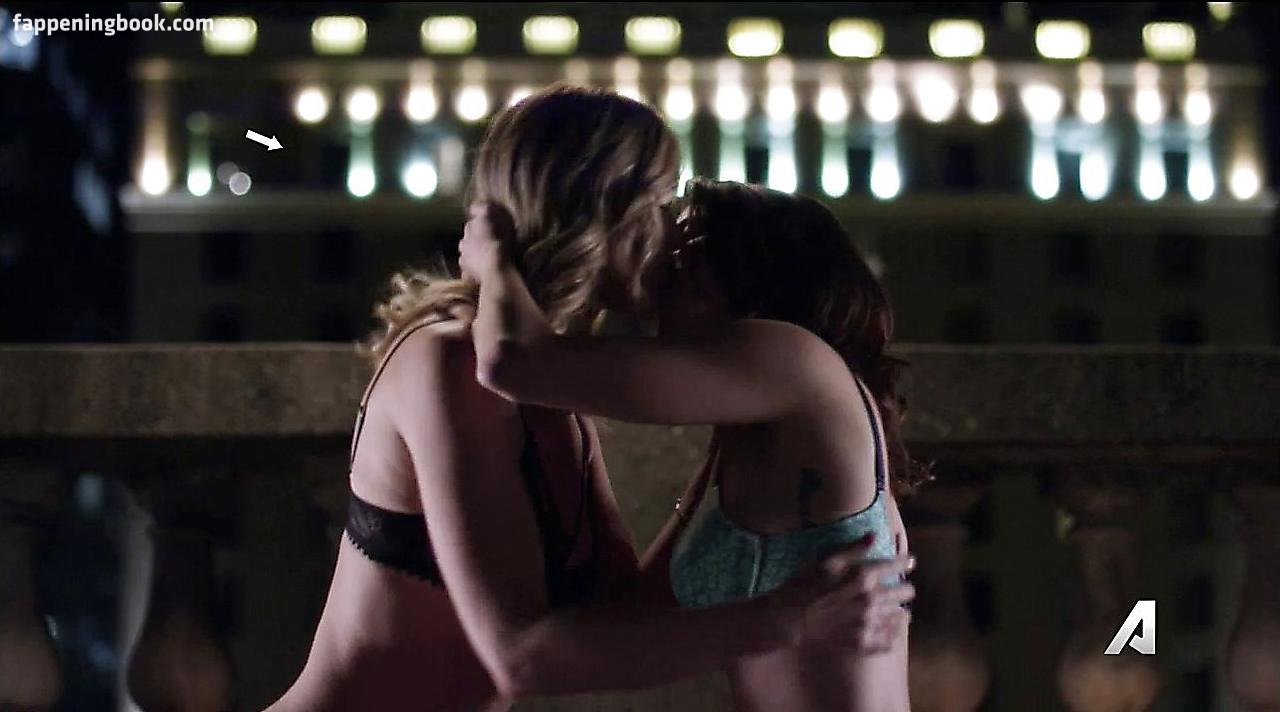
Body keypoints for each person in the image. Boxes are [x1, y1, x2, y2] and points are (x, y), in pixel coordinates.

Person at [269, 87, 914, 712]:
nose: (671, 237)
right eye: (659, 202)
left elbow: (618, 620)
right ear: (598, 212)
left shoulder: (559, 394)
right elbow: (527, 656)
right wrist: (782, 618)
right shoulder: (455, 362)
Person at [460, 177, 927, 712]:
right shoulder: (744, 442)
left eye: (688, 252)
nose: (663, 268)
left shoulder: (796, 358)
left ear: (751, 271)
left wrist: (493, 257)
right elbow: (633, 620)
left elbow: (514, 362)